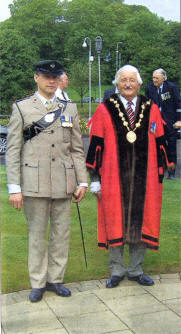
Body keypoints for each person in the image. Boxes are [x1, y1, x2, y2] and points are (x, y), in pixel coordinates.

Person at [6, 60, 88, 302]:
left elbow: (76, 149)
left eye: (55, 76)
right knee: (37, 235)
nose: (51, 80)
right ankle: (38, 282)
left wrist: (82, 181)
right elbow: (13, 151)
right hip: (34, 182)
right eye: (45, 76)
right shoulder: (21, 108)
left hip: (64, 182)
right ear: (36, 78)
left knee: (61, 235)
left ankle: (55, 279)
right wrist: (14, 188)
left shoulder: (69, 108)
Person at [86, 65, 174, 289]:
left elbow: (160, 139)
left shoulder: (150, 107)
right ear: (117, 83)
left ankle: (136, 269)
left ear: (139, 83)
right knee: (114, 218)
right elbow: (96, 144)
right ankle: (116, 270)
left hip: (146, 179)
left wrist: (162, 170)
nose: (127, 84)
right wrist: (94, 179)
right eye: (123, 80)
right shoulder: (105, 108)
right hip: (114, 178)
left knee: (142, 219)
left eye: (132, 80)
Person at [146, 68, 181, 179]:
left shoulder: (172, 87)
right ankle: (158, 170)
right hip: (154, 123)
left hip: (170, 122)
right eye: (153, 77)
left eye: (156, 78)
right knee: (155, 145)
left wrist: (179, 120)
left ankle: (171, 173)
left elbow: (178, 104)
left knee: (171, 147)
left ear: (163, 78)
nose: (154, 80)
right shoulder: (149, 88)